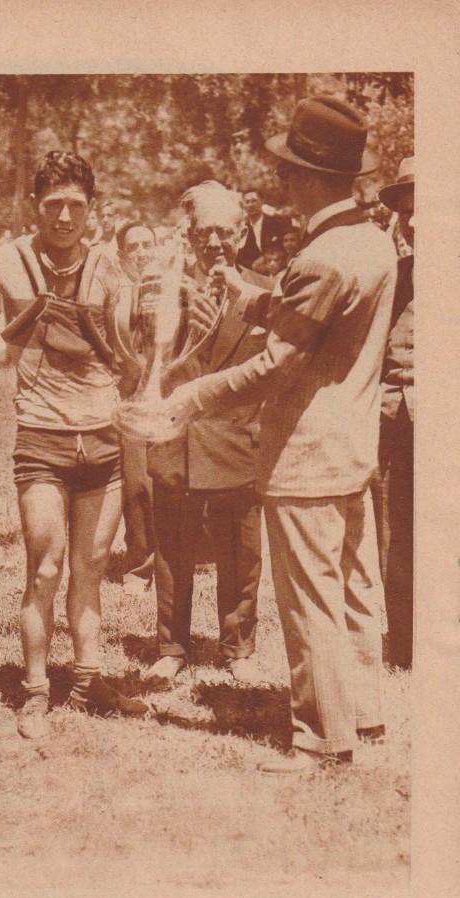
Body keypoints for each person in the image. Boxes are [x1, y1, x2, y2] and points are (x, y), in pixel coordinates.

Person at [162, 97, 397, 772]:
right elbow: (313, 324)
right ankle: (364, 713)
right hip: (352, 450)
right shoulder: (372, 241)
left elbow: (275, 364)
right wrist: (247, 292)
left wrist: (192, 394)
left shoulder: (323, 257)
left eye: (290, 171)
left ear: (310, 178)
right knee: (354, 591)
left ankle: (324, 739)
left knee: (309, 603)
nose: (284, 184)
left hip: (305, 455)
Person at [0, 151, 148, 739]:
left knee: (92, 567)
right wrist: (96, 314)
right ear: (35, 205)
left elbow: (126, 355)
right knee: (46, 567)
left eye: (75, 206)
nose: (63, 217)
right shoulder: (12, 257)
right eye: (52, 204)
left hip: (102, 436)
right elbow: (43, 325)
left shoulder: (111, 267)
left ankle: (87, 681)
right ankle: (35, 690)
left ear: (92, 209)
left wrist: (138, 335)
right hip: (44, 436)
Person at [137, 181, 268, 689]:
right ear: (187, 235)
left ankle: (239, 648)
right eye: (204, 232)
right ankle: (171, 646)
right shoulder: (165, 291)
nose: (215, 242)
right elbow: (146, 360)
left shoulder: (264, 291)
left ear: (242, 232)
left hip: (239, 438)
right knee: (172, 546)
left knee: (242, 549)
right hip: (179, 436)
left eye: (225, 231)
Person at [372, 156, 414, 668]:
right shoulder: (393, 275)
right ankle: (402, 643)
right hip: (390, 422)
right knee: (392, 540)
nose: (416, 221)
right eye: (406, 213)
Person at [113, 221, 158, 593]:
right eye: (133, 247)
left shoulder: (172, 289)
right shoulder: (115, 295)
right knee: (137, 484)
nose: (141, 253)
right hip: (131, 399)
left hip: (169, 395)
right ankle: (139, 567)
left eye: (148, 245)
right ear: (121, 255)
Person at [236, 189, 290, 269]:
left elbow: (288, 246)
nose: (250, 205)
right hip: (253, 273)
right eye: (247, 202)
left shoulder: (277, 222)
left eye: (254, 201)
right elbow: (240, 256)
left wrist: (265, 258)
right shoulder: (243, 228)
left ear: (262, 201)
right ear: (243, 205)